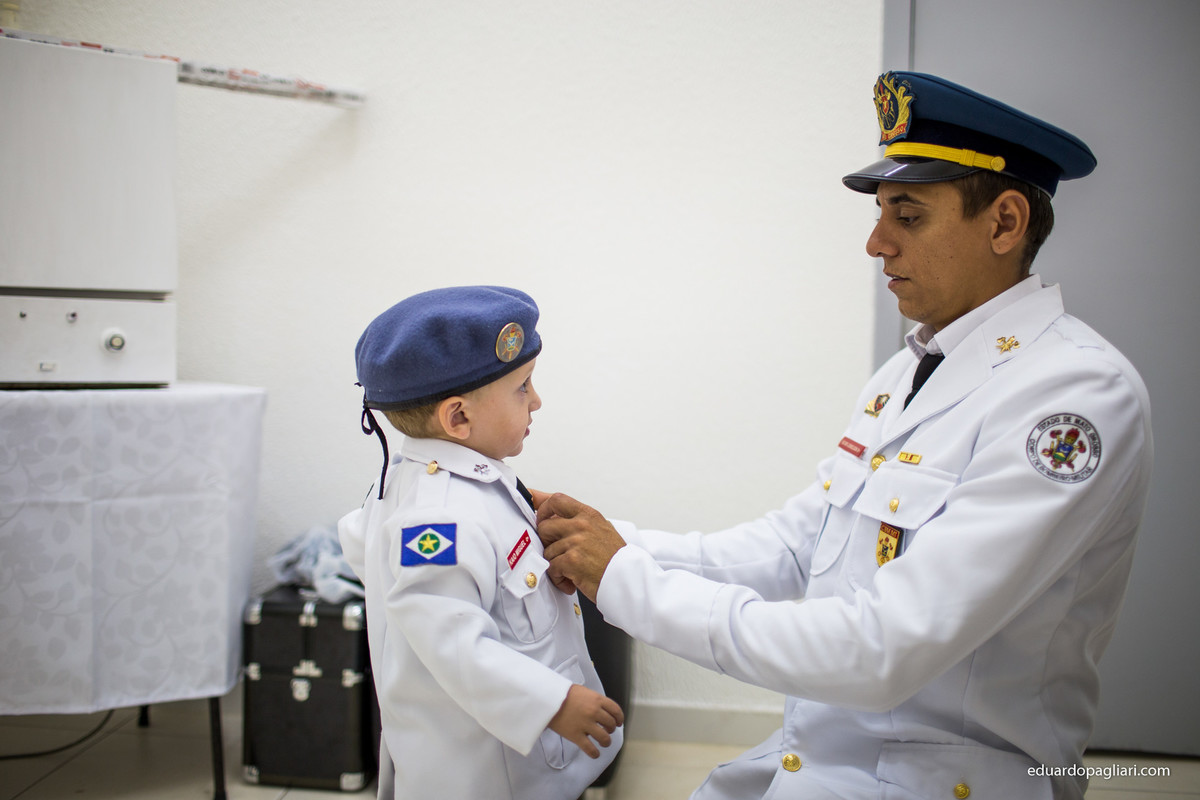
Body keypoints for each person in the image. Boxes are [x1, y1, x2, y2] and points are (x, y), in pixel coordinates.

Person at [536, 72, 1153, 800]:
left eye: (909, 215)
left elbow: (884, 647)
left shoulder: (1074, 397)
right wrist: (604, 538)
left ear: (1004, 222)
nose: (875, 242)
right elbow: (795, 546)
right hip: (825, 754)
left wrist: (627, 583)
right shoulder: (911, 368)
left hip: (950, 777)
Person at [338, 285, 624, 800]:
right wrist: (551, 702)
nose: (537, 401)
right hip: (484, 775)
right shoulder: (437, 517)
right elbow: (452, 643)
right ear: (458, 419)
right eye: (522, 388)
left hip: (522, 758)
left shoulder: (466, 483)